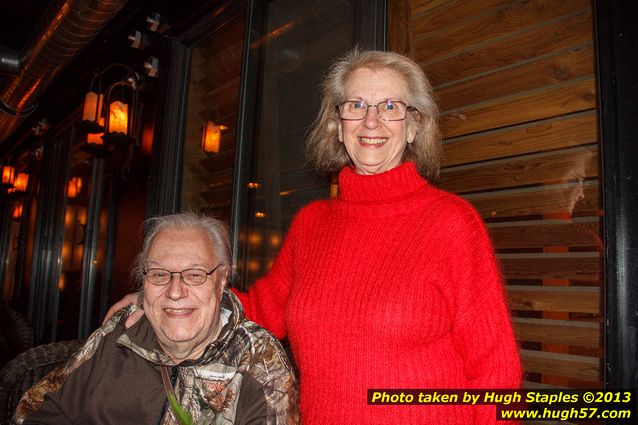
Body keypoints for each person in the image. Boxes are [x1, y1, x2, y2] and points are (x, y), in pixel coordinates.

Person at [107, 49, 521, 424]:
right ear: (338, 126)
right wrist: (163, 299)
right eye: (356, 105)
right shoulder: (312, 223)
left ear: (413, 127)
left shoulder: (450, 221)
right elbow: (260, 312)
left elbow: (495, 369)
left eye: (391, 106)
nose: (371, 120)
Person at [13, 213, 299, 425]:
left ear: (222, 279)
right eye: (160, 275)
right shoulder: (121, 332)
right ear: (143, 280)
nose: (175, 292)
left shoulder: (258, 365)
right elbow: (36, 412)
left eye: (195, 274)